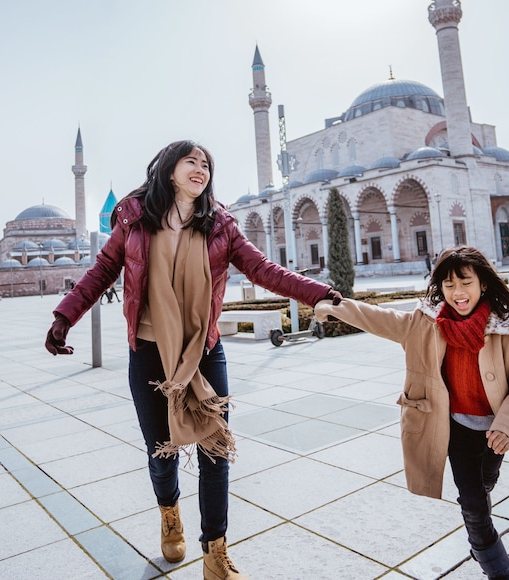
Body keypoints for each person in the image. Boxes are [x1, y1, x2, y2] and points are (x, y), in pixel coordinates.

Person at [45, 140, 341, 579]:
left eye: (206, 164)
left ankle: (215, 550)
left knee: (214, 449)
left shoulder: (220, 224)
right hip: (148, 351)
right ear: (169, 170)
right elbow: (103, 270)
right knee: (160, 453)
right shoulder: (134, 217)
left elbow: (262, 270)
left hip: (203, 349)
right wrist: (65, 315)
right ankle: (169, 512)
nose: (200, 168)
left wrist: (317, 292)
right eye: (191, 161)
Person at [314, 246, 509, 580]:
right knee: (473, 505)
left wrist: (508, 426)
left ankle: (479, 543)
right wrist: (335, 307)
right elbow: (381, 319)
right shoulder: (425, 323)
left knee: (484, 488)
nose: (458, 293)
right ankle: (500, 572)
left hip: (496, 432)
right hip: (455, 429)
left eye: (465, 282)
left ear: (482, 284)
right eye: (448, 285)